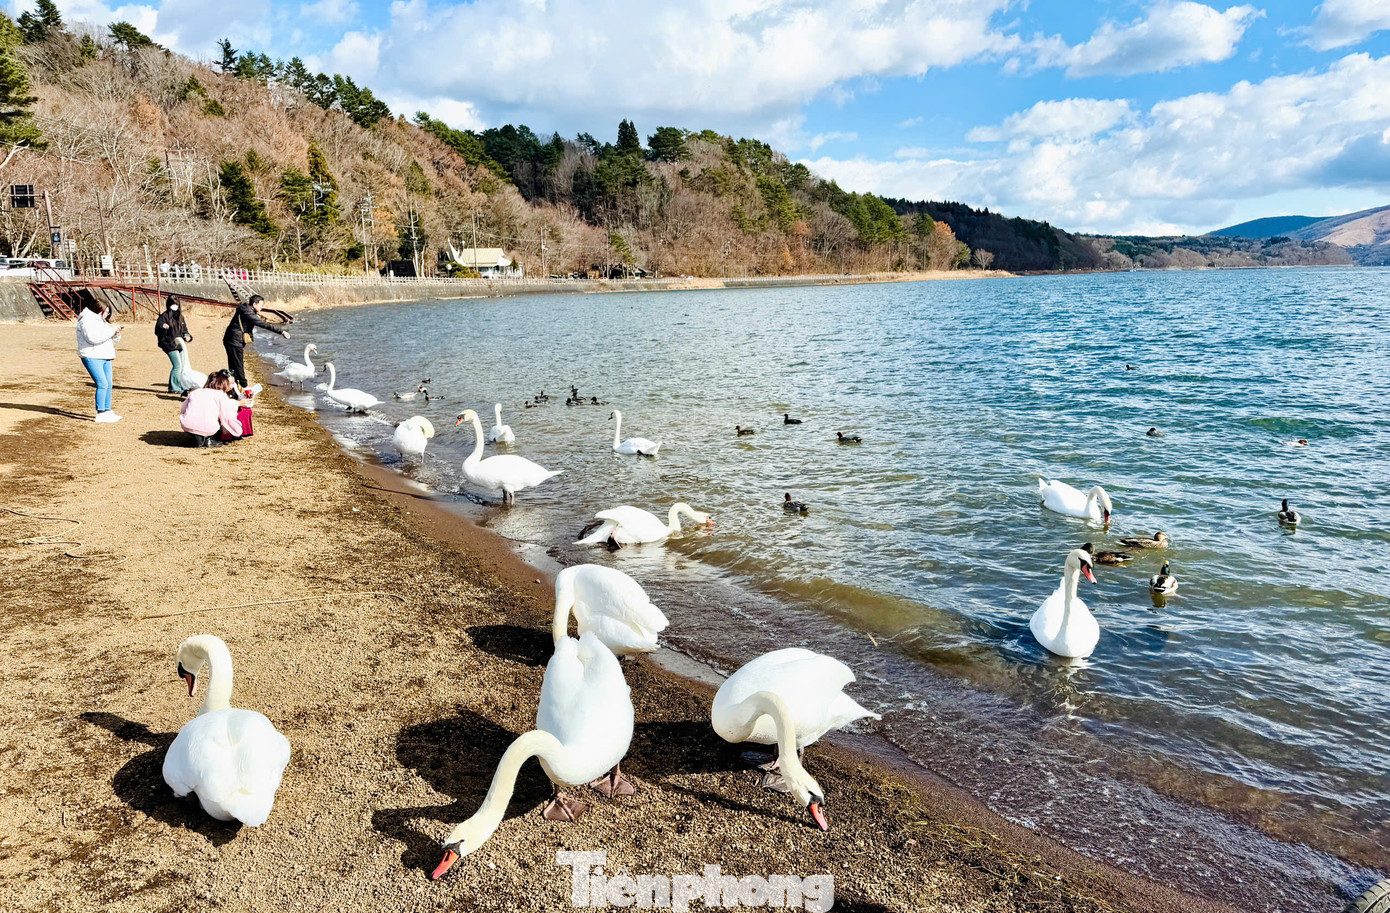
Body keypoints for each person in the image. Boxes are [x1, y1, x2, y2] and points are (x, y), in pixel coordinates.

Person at [223, 294, 288, 388]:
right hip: (234, 340)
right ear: (254, 304)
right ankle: (244, 387)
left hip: (230, 339)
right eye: (260, 305)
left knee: (234, 366)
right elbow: (264, 324)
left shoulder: (245, 309)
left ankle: (232, 387)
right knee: (238, 366)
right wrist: (281, 331)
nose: (261, 307)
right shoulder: (248, 314)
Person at [76, 299, 122, 423]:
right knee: (102, 384)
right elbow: (93, 338)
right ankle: (100, 413)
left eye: (107, 312)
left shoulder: (102, 322)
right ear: (97, 310)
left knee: (109, 383)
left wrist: (115, 335)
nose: (106, 315)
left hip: (105, 355)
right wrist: (111, 331)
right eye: (105, 312)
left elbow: (108, 341)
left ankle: (107, 410)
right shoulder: (86, 320)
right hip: (91, 356)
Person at [180, 370, 243, 447]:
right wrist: (238, 431)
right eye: (231, 383)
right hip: (210, 428)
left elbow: (183, 409)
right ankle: (208, 438)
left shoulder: (195, 392)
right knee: (218, 420)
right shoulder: (221, 395)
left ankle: (199, 438)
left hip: (186, 425)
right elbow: (228, 417)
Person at [155, 296, 193, 393]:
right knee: (178, 365)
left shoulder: (181, 317)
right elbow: (157, 331)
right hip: (169, 344)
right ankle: (174, 388)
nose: (175, 306)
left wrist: (187, 337)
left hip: (179, 344)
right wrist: (163, 328)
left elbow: (184, 331)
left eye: (176, 304)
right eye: (173, 304)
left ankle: (179, 385)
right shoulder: (164, 317)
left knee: (182, 365)